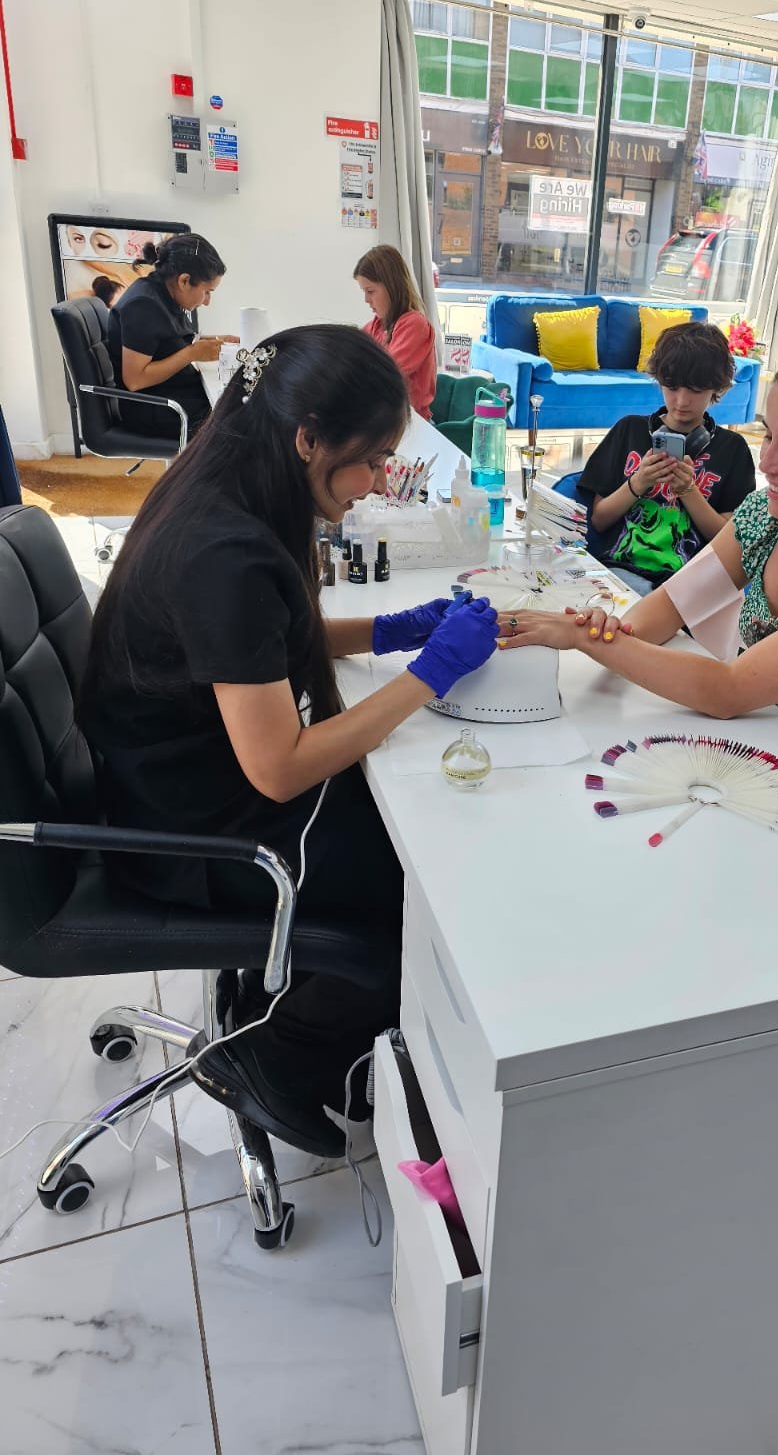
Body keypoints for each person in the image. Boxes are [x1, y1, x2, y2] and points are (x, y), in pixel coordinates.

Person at [81, 324, 499, 1156]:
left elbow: (263, 644)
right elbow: (278, 770)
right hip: (190, 829)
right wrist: (431, 675)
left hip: (177, 777)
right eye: (374, 458)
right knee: (423, 905)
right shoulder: (223, 551)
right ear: (308, 439)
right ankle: (274, 1059)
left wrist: (393, 628)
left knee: (402, 825)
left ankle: (299, 1002)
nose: (380, 481)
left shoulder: (233, 490)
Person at [499, 330, 778, 815]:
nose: (768, 463)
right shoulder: (768, 516)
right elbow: (669, 607)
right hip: (770, 746)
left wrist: (588, 640)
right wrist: (599, 629)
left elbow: (728, 691)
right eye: (768, 435)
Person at [577, 321, 757, 595]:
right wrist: (637, 483)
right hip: (619, 573)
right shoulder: (629, 430)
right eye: (672, 387)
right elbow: (599, 520)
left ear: (716, 387)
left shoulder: (732, 449)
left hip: (691, 585)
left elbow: (729, 544)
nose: (682, 401)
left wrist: (688, 491)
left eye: (696, 390)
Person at [107, 233, 233, 442]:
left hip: (170, 395)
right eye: (207, 292)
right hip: (154, 409)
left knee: (235, 404)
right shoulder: (143, 305)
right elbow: (135, 380)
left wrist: (212, 341)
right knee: (238, 423)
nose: (208, 301)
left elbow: (167, 341)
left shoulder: (161, 293)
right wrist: (192, 353)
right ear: (184, 280)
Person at [354, 244, 437, 420]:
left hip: (413, 424)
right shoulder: (374, 327)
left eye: (370, 291)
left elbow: (384, 375)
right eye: (364, 292)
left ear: (392, 286)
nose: (366, 300)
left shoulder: (415, 325)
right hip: (385, 422)